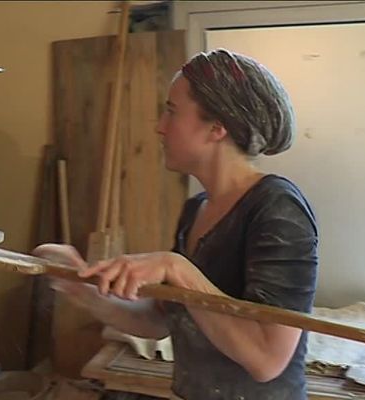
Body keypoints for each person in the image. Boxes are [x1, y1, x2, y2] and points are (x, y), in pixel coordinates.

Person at [33, 49, 318, 400]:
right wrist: (82, 290)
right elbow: (159, 321)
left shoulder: (276, 207)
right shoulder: (196, 208)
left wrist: (177, 268)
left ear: (217, 127)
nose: (159, 127)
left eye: (171, 111)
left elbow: (266, 359)